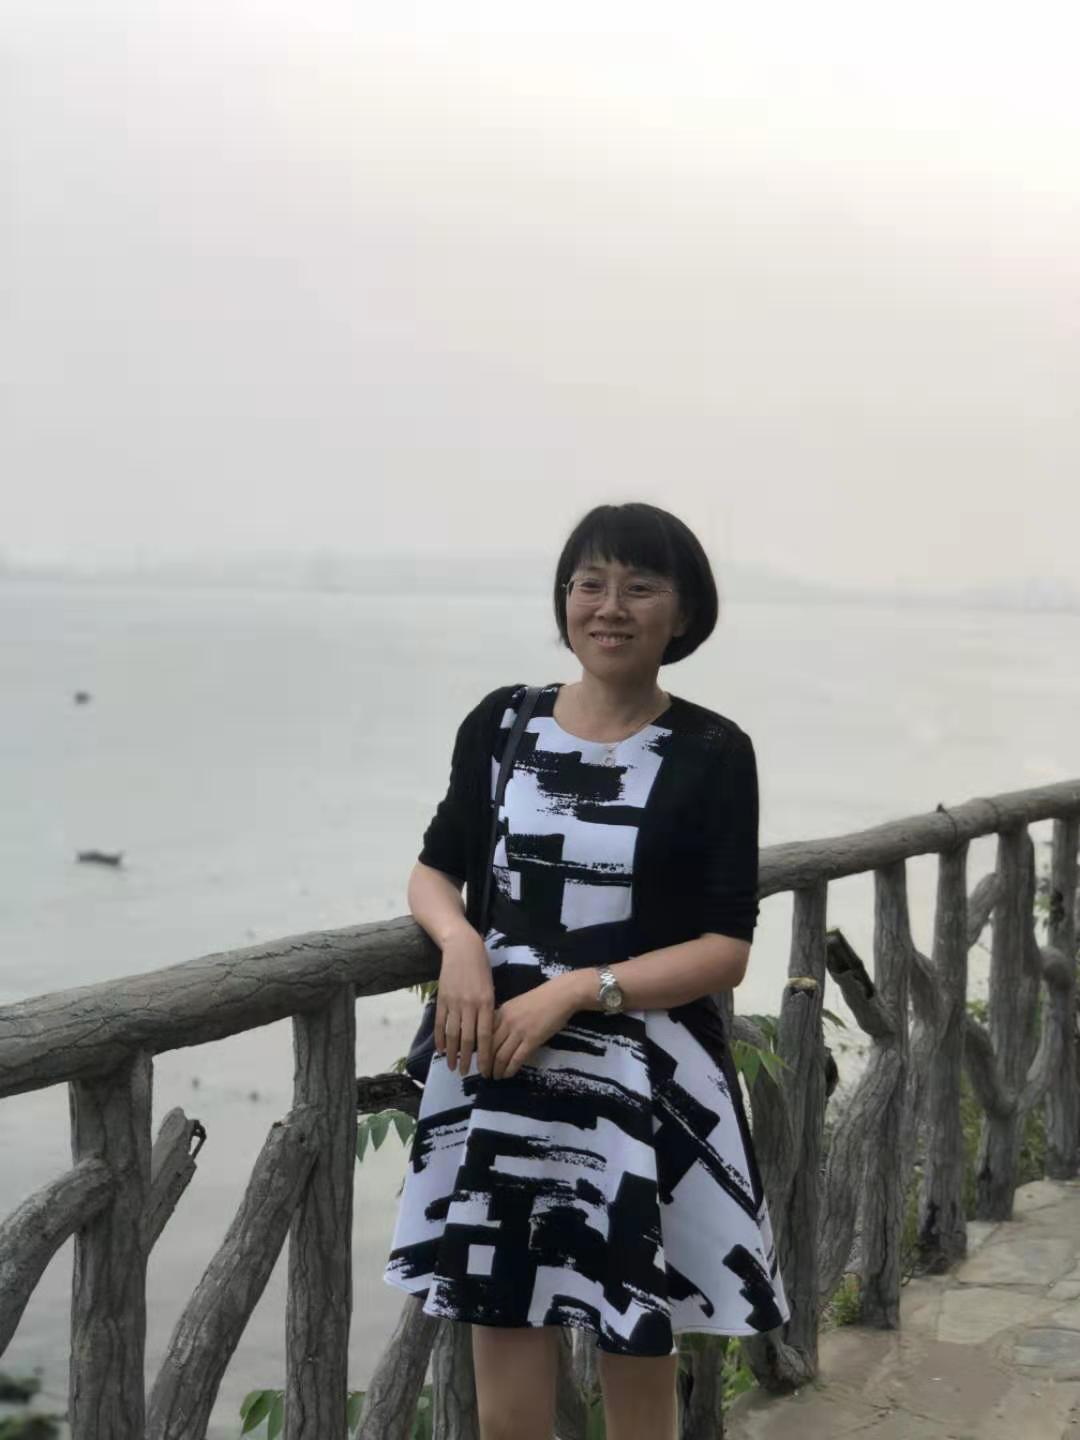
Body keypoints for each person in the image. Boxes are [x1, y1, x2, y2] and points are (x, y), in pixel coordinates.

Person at [384, 501, 790, 1440]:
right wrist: (461, 945)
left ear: (683, 613)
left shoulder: (713, 751)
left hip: (642, 1080)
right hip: (502, 1064)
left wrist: (577, 989)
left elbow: (726, 946)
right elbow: (434, 870)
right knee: (504, 1360)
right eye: (589, 584)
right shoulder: (505, 722)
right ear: (564, 600)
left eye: (639, 587)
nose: (609, 607)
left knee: (635, 1357)